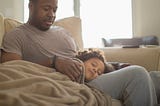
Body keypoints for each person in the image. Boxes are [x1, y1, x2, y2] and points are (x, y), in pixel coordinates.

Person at [1, 0, 158, 106]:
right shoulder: (17, 35)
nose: (51, 14)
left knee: (155, 77)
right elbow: (13, 68)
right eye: (46, 8)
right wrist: (54, 61)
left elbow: (85, 58)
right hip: (76, 83)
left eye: (55, 9)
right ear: (31, 5)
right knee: (137, 75)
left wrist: (116, 65)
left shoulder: (63, 32)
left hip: (92, 77)